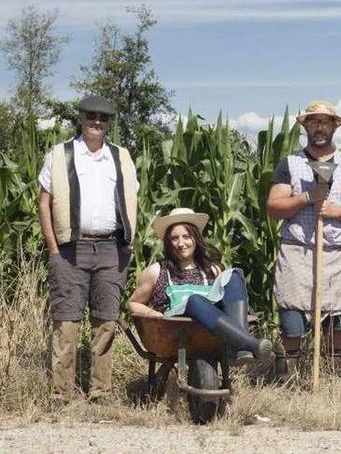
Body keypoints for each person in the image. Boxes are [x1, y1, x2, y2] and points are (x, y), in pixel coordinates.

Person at [37, 95, 139, 403]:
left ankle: (100, 391)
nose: (97, 122)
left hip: (111, 247)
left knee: (106, 322)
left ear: (109, 123)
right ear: (81, 118)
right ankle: (62, 393)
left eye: (103, 118)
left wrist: (127, 245)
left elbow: (132, 201)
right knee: (66, 322)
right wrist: (53, 249)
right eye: (92, 116)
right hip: (69, 249)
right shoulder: (60, 154)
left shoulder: (121, 157)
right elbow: (44, 202)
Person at [266, 100, 341, 378]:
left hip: (337, 252)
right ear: (305, 126)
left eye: (325, 122)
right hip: (298, 250)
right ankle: (289, 380)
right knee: (291, 316)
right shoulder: (290, 163)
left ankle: (334, 378)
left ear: (334, 126)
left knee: (338, 320)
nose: (319, 127)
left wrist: (335, 211)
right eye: (314, 121)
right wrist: (306, 197)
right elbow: (274, 207)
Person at [127, 208, 273, 359]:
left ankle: (242, 349)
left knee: (233, 275)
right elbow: (133, 303)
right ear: (168, 242)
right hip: (174, 327)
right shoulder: (156, 271)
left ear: (195, 238)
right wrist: (151, 313)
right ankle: (250, 343)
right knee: (195, 300)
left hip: (209, 327)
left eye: (186, 236)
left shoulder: (212, 269)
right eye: (174, 238)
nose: (181, 243)